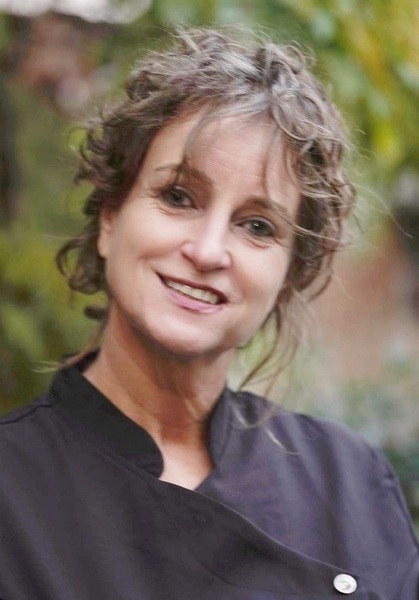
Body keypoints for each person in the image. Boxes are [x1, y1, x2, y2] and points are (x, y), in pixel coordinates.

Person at [0, 27, 418, 600]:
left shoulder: (350, 481)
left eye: (257, 226)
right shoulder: (12, 489)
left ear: (288, 276)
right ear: (110, 218)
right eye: (178, 197)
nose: (207, 251)